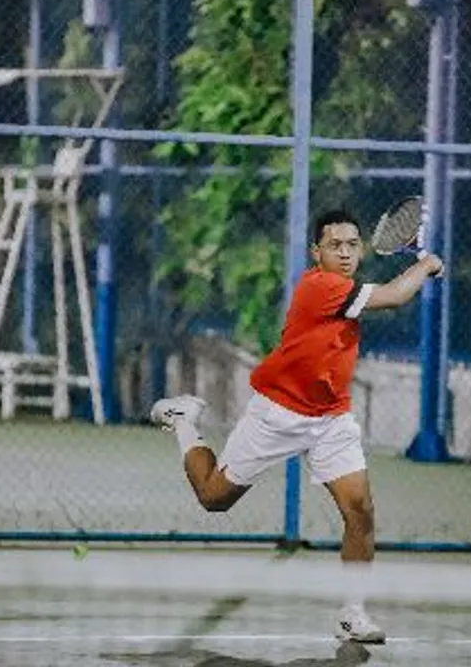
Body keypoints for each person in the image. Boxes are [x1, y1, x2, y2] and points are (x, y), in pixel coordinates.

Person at [151, 209, 443, 643]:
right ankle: (183, 421)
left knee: (360, 510)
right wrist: (426, 264)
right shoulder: (320, 286)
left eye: (352, 245)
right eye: (334, 245)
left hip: (331, 418)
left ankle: (352, 613)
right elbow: (394, 296)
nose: (344, 253)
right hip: (279, 413)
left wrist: (419, 271)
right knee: (214, 497)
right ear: (316, 252)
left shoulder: (346, 288)